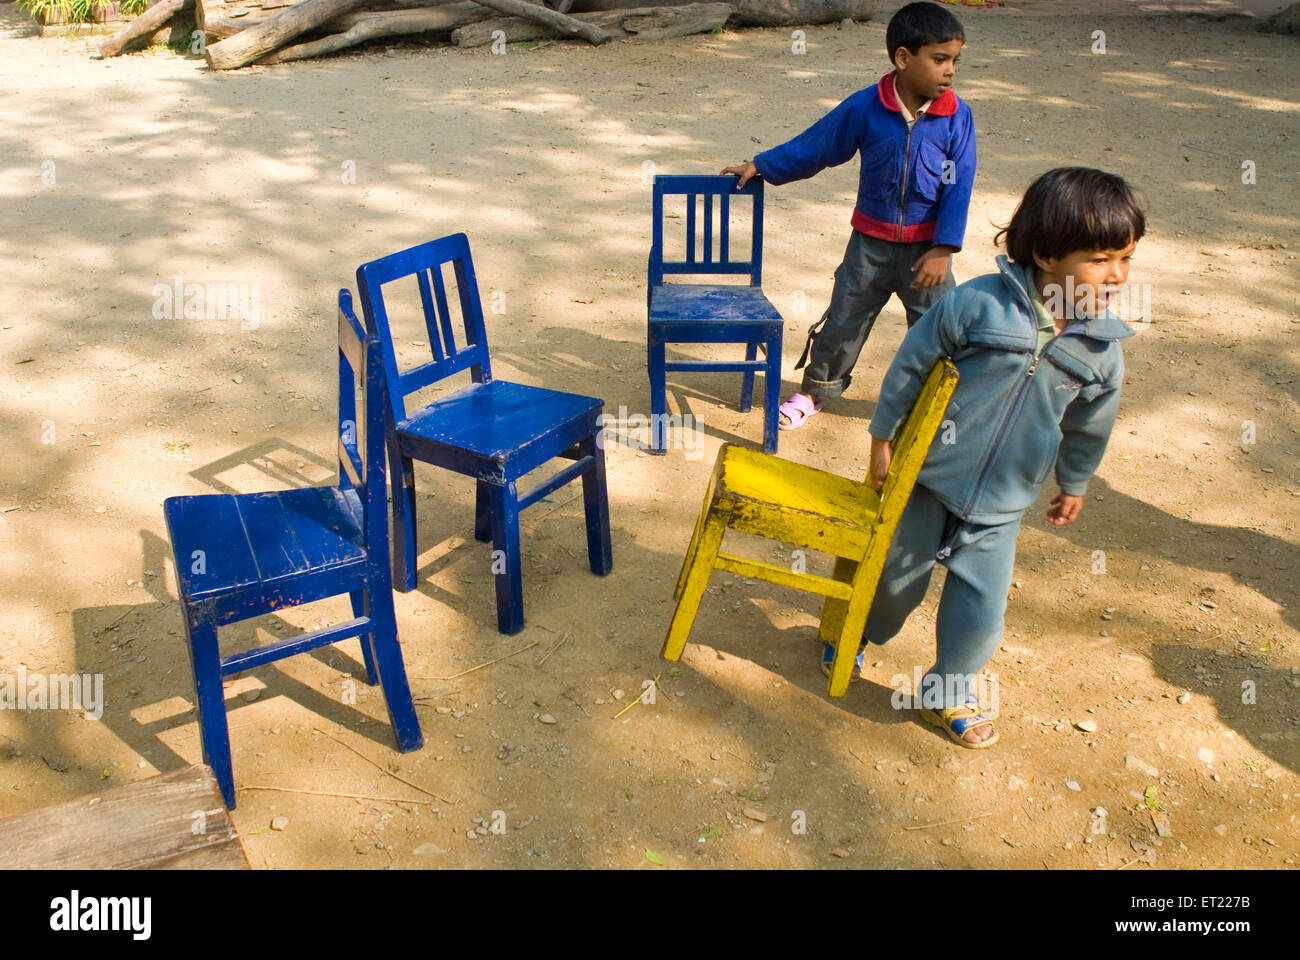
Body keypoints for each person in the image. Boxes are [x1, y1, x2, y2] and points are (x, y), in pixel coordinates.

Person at [842, 166, 1145, 748]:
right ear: (1047, 253)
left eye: (1126, 259)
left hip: (1003, 502)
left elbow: (1089, 426)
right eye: (1101, 258)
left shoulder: (1101, 349)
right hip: (928, 480)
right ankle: (853, 631)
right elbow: (913, 363)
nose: (1116, 275)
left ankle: (947, 693)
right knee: (894, 584)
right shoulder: (979, 303)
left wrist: (1074, 481)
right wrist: (882, 437)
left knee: (981, 611)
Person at [721, 1, 975, 430]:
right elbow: (817, 145)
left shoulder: (956, 117)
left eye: (954, 61)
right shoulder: (865, 108)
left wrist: (944, 248)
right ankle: (815, 391)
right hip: (869, 247)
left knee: (940, 327)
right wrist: (763, 164)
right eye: (939, 60)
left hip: (927, 251)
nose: (949, 70)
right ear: (902, 58)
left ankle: (945, 408)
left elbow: (959, 184)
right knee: (843, 319)